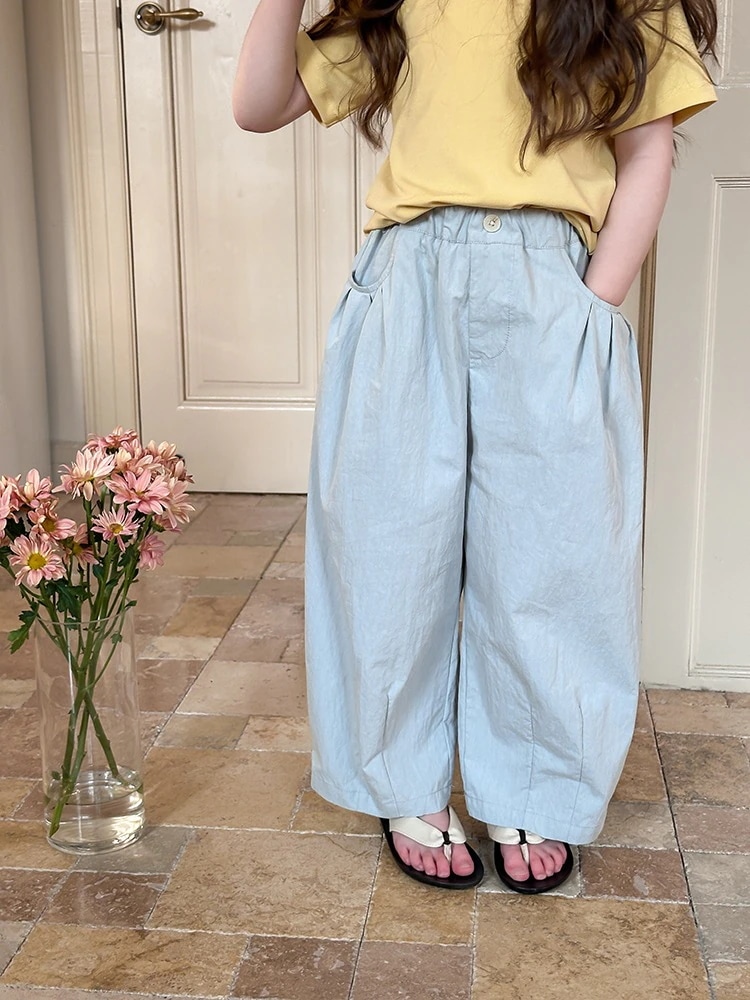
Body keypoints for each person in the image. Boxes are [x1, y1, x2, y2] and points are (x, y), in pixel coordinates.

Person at [233, 0, 717, 893]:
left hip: (551, 283)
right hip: (406, 279)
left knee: (552, 550)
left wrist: (595, 303)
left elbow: (647, 150)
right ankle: (402, 781)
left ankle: (535, 779)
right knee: (388, 545)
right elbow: (258, 106)